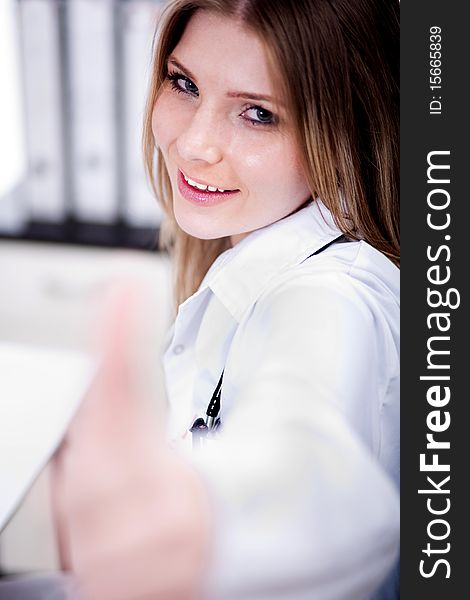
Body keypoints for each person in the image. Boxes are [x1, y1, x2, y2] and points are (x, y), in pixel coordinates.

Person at [51, 1, 400, 599]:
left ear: (345, 132)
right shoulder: (243, 255)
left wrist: (205, 523)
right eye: (184, 83)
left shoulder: (333, 295)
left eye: (258, 114)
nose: (193, 144)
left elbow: (309, 455)